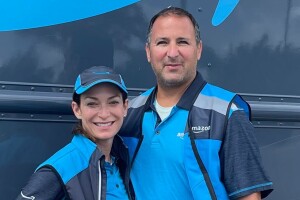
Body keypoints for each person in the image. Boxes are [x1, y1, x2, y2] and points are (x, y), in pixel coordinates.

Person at [118, 7, 273, 200]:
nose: (172, 53)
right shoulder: (128, 114)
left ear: (198, 49)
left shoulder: (226, 112)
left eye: (182, 42)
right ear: (148, 52)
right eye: (162, 42)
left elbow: (249, 197)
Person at [17, 66, 135, 200]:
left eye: (113, 102)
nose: (104, 114)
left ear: (125, 107)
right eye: (92, 104)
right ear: (77, 109)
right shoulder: (59, 170)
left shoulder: (122, 159)